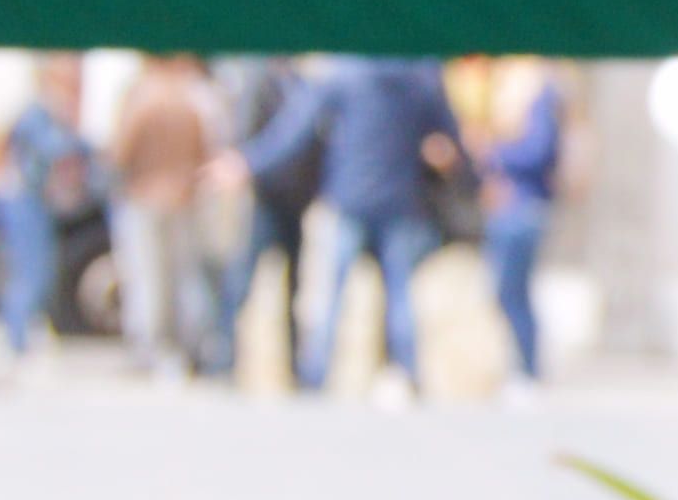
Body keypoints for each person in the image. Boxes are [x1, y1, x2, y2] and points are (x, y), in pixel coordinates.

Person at [255, 54, 464, 404]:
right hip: (400, 200)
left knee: (333, 297)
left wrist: (250, 162)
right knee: (400, 297)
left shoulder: (345, 74)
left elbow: (296, 129)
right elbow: (450, 137)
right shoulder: (420, 76)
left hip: (350, 199)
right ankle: (406, 372)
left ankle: (316, 376)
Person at [104, 56, 229, 380]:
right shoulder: (192, 101)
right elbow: (206, 152)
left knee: (148, 277)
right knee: (185, 278)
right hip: (184, 198)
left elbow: (120, 151)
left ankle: (150, 348)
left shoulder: (142, 98)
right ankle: (191, 348)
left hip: (145, 196)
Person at [465, 58, 564, 397]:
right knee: (507, 293)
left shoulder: (540, 93)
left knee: (514, 293)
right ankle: (519, 370)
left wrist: (492, 153)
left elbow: (539, 151)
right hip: (505, 207)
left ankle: (528, 371)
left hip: (523, 208)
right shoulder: (510, 93)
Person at [219, 55, 318, 388]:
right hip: (266, 199)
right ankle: (225, 360)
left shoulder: (302, 84)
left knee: (293, 290)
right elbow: (259, 135)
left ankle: (295, 367)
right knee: (243, 282)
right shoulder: (260, 81)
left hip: (295, 200)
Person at [0, 60, 98, 363]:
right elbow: (57, 148)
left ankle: (20, 335)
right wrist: (88, 146)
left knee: (38, 270)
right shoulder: (39, 114)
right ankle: (14, 338)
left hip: (32, 202)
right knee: (31, 271)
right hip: (23, 202)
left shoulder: (43, 113)